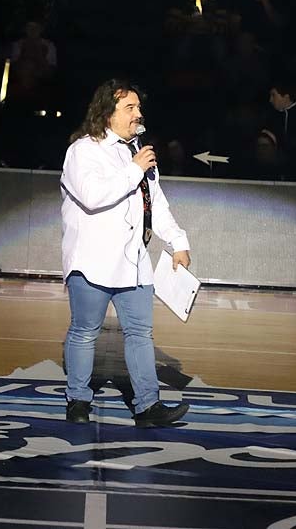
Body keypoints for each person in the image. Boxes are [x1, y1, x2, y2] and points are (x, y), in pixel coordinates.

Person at [59, 80, 192, 428]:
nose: (138, 114)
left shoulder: (138, 152)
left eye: (138, 108)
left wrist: (178, 242)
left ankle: (148, 407)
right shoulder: (83, 151)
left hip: (134, 263)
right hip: (92, 262)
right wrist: (134, 168)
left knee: (140, 333)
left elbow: (155, 203)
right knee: (85, 331)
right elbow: (92, 196)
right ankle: (78, 401)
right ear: (107, 113)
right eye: (130, 108)